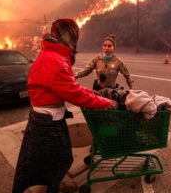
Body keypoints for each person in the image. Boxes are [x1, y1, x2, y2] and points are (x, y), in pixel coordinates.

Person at [12, 19, 117, 193]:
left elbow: (69, 87)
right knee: (62, 158)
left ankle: (49, 183)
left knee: (39, 157)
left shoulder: (49, 54)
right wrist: (104, 102)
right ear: (71, 36)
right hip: (48, 122)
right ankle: (54, 187)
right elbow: (74, 93)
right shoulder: (56, 61)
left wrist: (93, 93)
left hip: (41, 118)